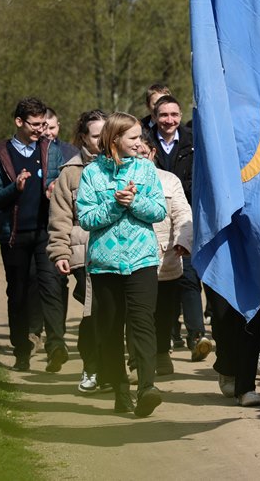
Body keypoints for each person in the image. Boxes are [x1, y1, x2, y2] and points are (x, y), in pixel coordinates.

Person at [76, 112, 166, 417]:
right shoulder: (92, 174)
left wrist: (134, 201)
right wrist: (115, 204)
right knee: (111, 330)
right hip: (105, 265)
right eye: (133, 138)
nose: (140, 144)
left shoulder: (146, 170)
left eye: (140, 138)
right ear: (114, 140)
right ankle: (120, 390)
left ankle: (147, 388)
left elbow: (158, 211)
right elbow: (86, 218)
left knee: (142, 324)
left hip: (142, 260)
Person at [0, 97, 67, 372]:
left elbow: (57, 179)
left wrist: (53, 187)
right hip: (15, 236)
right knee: (18, 293)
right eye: (34, 125)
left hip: (46, 232)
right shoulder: (0, 154)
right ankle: (22, 351)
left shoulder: (50, 149)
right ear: (19, 122)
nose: (40, 130)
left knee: (52, 287)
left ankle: (56, 347)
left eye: (43, 124)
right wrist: (16, 188)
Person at [49, 109, 108, 394]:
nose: (102, 140)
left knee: (116, 314)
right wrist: (60, 252)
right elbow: (60, 216)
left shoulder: (123, 163)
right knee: (92, 312)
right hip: (84, 254)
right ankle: (92, 367)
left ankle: (113, 369)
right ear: (83, 137)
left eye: (106, 134)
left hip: (121, 252)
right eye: (96, 135)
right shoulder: (70, 172)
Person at [151, 94, 209, 361]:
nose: (169, 120)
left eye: (174, 114)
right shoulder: (144, 142)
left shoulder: (192, 142)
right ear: (154, 117)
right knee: (164, 284)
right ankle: (165, 339)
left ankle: (197, 335)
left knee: (189, 276)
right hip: (156, 221)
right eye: (163, 115)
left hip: (186, 218)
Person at [135, 132, 192, 378]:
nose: (139, 157)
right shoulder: (119, 180)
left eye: (143, 153)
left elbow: (182, 213)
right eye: (134, 153)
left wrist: (183, 240)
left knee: (165, 313)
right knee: (138, 314)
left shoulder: (169, 181)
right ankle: (138, 359)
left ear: (153, 153)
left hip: (166, 260)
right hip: (133, 262)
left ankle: (160, 353)